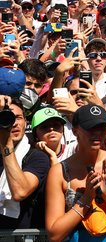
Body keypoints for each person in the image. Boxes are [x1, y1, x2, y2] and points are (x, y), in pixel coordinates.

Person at [45, 104, 106, 242]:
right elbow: (54, 234)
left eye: (101, 128)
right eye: (90, 128)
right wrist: (86, 198)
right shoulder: (59, 172)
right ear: (75, 131)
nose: (97, 133)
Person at [0, 95, 50, 229]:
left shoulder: (37, 157)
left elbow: (20, 192)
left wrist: (6, 144)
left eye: (18, 118)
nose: (14, 123)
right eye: (7, 118)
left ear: (26, 122)